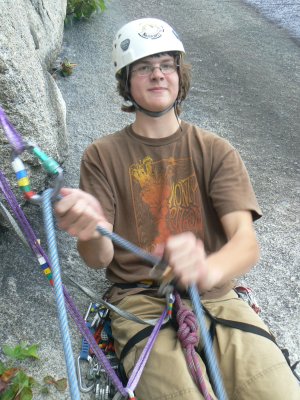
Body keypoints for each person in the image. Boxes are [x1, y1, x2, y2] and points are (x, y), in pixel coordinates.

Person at [55, 18, 300, 400]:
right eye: (143, 67)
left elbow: (245, 243)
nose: (157, 75)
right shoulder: (102, 156)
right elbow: (99, 258)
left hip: (217, 296)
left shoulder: (215, 150)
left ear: (178, 75)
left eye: (166, 64)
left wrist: (208, 269)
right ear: (127, 81)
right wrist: (90, 230)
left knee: (276, 392)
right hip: (140, 301)